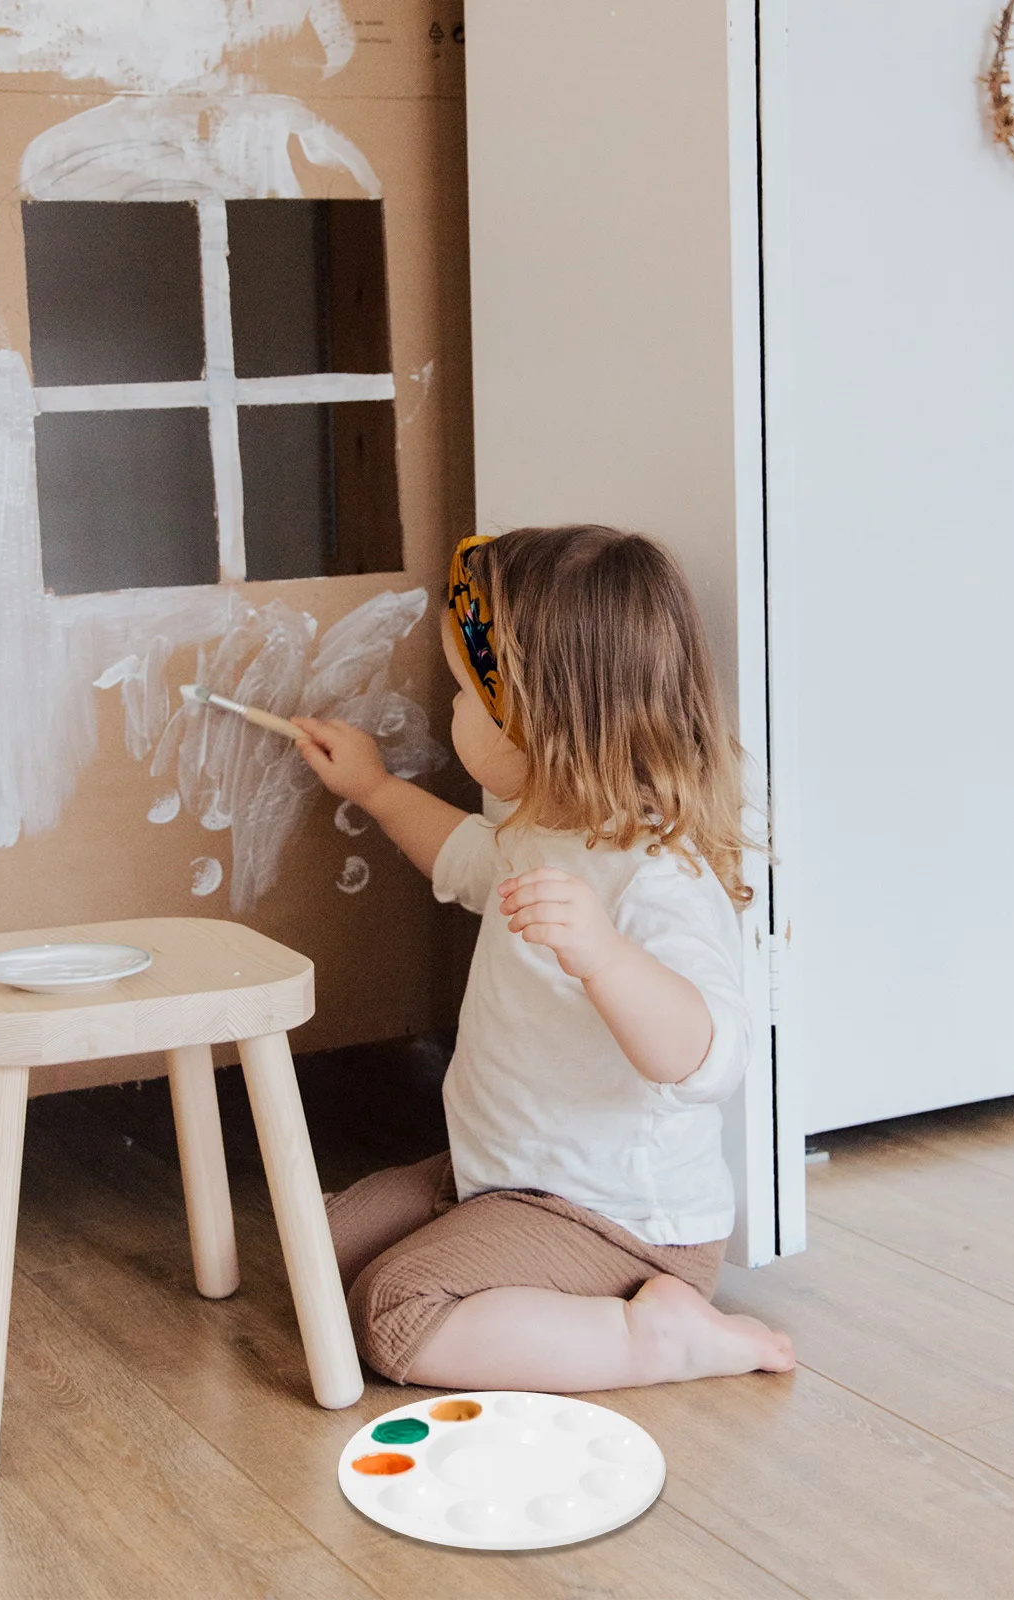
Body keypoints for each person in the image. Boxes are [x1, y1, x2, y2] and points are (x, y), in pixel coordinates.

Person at [293, 525, 795, 1391]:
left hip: (620, 1223)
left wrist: (601, 954)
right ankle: (533, 1289)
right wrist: (374, 789)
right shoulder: (545, 833)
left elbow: (711, 1057)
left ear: (544, 721)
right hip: (504, 1174)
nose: (450, 710)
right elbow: (462, 856)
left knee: (393, 1313)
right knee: (313, 1243)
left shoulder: (655, 876)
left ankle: (660, 1339)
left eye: (464, 695)